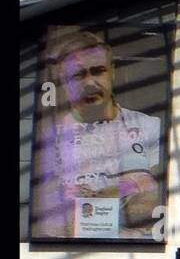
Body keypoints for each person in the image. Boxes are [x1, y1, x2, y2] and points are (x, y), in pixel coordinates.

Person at [31, 28, 162, 241]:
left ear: (112, 72)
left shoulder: (148, 126)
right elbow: (48, 217)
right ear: (65, 82)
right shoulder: (50, 138)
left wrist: (101, 196)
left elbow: (152, 202)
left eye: (98, 71)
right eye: (79, 75)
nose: (90, 82)